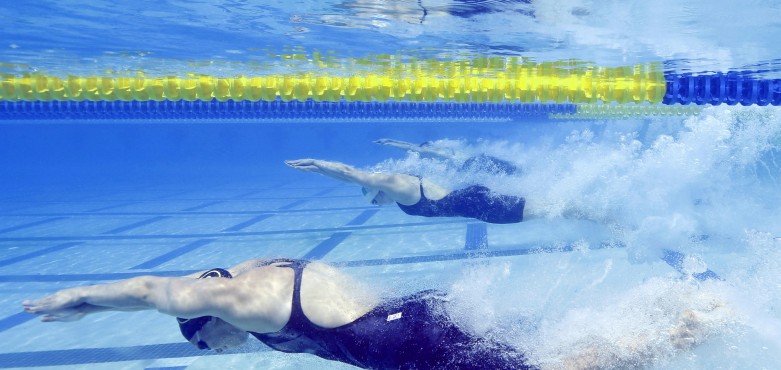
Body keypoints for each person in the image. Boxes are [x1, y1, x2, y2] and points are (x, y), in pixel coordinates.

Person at [22, 257, 729, 369]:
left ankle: (683, 327)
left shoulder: (234, 298)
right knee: (543, 352)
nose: (220, 352)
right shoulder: (265, 271)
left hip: (408, 342)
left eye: (209, 348)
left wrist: (75, 301)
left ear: (205, 321)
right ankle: (668, 316)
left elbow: (153, 291)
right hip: (415, 322)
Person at [285, 158, 538, 224]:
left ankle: (579, 212)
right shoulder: (400, 192)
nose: (377, 206)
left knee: (550, 211)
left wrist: (317, 165)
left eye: (374, 202)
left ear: (377, 192)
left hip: (480, 205)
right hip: (476, 205)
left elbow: (351, 175)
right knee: (548, 209)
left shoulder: (398, 186)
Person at [374, 138, 520, 176]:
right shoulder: (444, 150)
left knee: (510, 171)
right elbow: (413, 145)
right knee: (512, 169)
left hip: (472, 164)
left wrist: (390, 142)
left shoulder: (432, 151)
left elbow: (411, 147)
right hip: (478, 160)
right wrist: (391, 140)